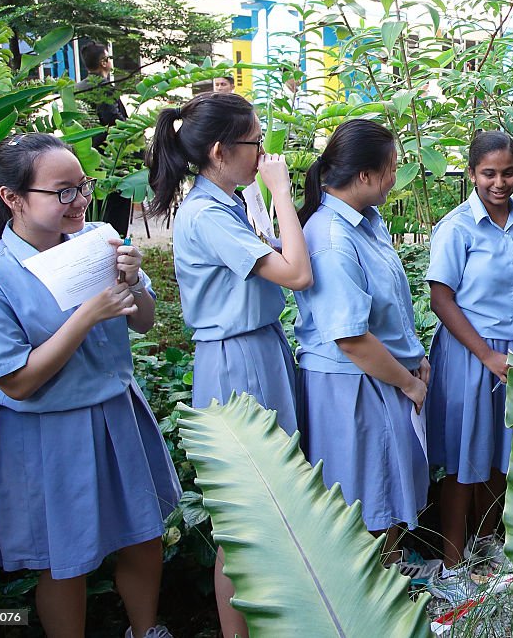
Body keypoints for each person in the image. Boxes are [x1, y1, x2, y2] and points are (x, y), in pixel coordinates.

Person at [0, 134, 180, 637]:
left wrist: (132, 280)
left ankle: (147, 630)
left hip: (117, 413)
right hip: (45, 436)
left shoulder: (97, 238)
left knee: (144, 536)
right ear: (12, 198)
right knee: (65, 561)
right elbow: (16, 383)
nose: (78, 201)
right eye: (61, 192)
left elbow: (143, 321)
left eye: (81, 187)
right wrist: (84, 318)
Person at [146, 92, 312, 638]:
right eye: (255, 142)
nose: (262, 152)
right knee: (244, 519)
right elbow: (295, 273)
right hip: (238, 358)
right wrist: (282, 193)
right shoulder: (207, 214)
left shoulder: (223, 204)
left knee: (269, 508)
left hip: (257, 348)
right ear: (220, 150)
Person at [294, 119, 429, 561]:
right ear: (367, 175)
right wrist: (408, 383)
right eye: (392, 167)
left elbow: (387, 305)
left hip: (380, 376)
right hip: (353, 385)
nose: (396, 176)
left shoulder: (365, 222)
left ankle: (392, 590)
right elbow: (350, 337)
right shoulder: (332, 238)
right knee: (365, 507)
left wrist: (415, 356)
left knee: (385, 495)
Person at [425, 131, 513, 602]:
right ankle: (454, 563)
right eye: (488, 174)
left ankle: (486, 547)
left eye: (508, 172)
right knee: (463, 459)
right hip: (470, 353)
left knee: (502, 455)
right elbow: (441, 299)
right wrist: (485, 354)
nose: (500, 183)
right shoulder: (456, 228)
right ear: (473, 174)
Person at [75, 42, 132, 236]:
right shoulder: (104, 87)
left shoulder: (77, 88)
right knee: (116, 214)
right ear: (103, 62)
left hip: (87, 159)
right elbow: (115, 121)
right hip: (111, 159)